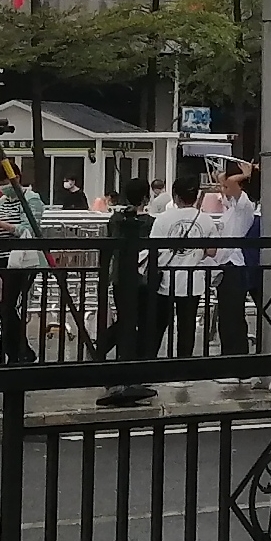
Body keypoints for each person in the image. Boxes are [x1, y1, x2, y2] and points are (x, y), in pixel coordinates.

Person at [98, 172, 158, 406]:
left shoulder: (115, 219)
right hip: (142, 279)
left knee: (125, 319)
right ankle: (130, 367)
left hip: (118, 276)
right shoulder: (149, 223)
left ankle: (105, 350)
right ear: (146, 197)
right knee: (140, 321)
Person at [150, 170, 216, 355]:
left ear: (176, 196)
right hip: (193, 281)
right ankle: (183, 364)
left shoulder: (163, 219)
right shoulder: (205, 219)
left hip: (165, 280)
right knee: (187, 327)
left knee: (158, 325)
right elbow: (212, 251)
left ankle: (150, 360)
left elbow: (153, 248)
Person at [0, 174, 46, 364]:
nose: (2, 187)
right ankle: (15, 349)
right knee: (3, 305)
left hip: (22, 260)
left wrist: (2, 225)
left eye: (5, 182)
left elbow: (29, 229)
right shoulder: (1, 202)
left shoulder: (31, 199)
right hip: (1, 258)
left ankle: (18, 350)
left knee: (10, 305)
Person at [210, 165, 260, 356]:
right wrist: (221, 176)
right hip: (225, 264)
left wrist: (245, 174)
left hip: (235, 265)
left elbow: (230, 182)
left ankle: (237, 355)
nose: (224, 190)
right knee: (226, 315)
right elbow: (225, 182)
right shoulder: (231, 207)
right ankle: (228, 354)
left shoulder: (244, 206)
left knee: (233, 315)